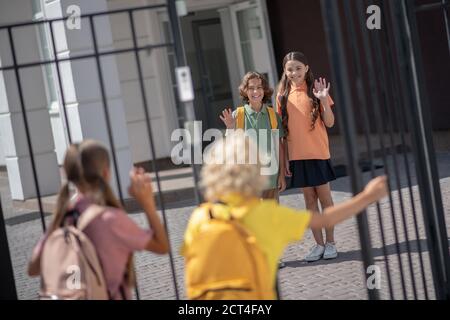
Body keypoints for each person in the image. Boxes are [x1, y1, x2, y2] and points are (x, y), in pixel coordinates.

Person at [182, 132, 388, 299]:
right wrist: (367, 197)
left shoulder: (201, 216)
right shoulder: (267, 215)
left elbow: (191, 268)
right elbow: (327, 219)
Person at [28, 139, 169, 299]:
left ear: (67, 174)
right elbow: (162, 246)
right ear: (106, 173)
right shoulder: (110, 219)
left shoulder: (63, 216)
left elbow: (33, 269)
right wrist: (147, 203)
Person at [277, 51, 338, 262]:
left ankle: (331, 243)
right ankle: (318, 245)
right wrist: (285, 161)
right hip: (297, 158)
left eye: (298, 68)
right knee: (309, 201)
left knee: (325, 199)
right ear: (285, 72)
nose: (294, 72)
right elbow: (282, 135)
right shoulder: (282, 97)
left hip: (318, 154)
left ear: (306, 69)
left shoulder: (316, 91)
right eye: (290, 69)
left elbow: (329, 122)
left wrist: (322, 101)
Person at [220, 71, 286, 202]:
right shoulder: (237, 115)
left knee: (271, 218)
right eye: (251, 88)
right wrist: (230, 127)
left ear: (264, 90)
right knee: (252, 219)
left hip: (270, 178)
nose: (255, 91)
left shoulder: (273, 116)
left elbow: (279, 148)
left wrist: (282, 175)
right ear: (245, 91)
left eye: (259, 87)